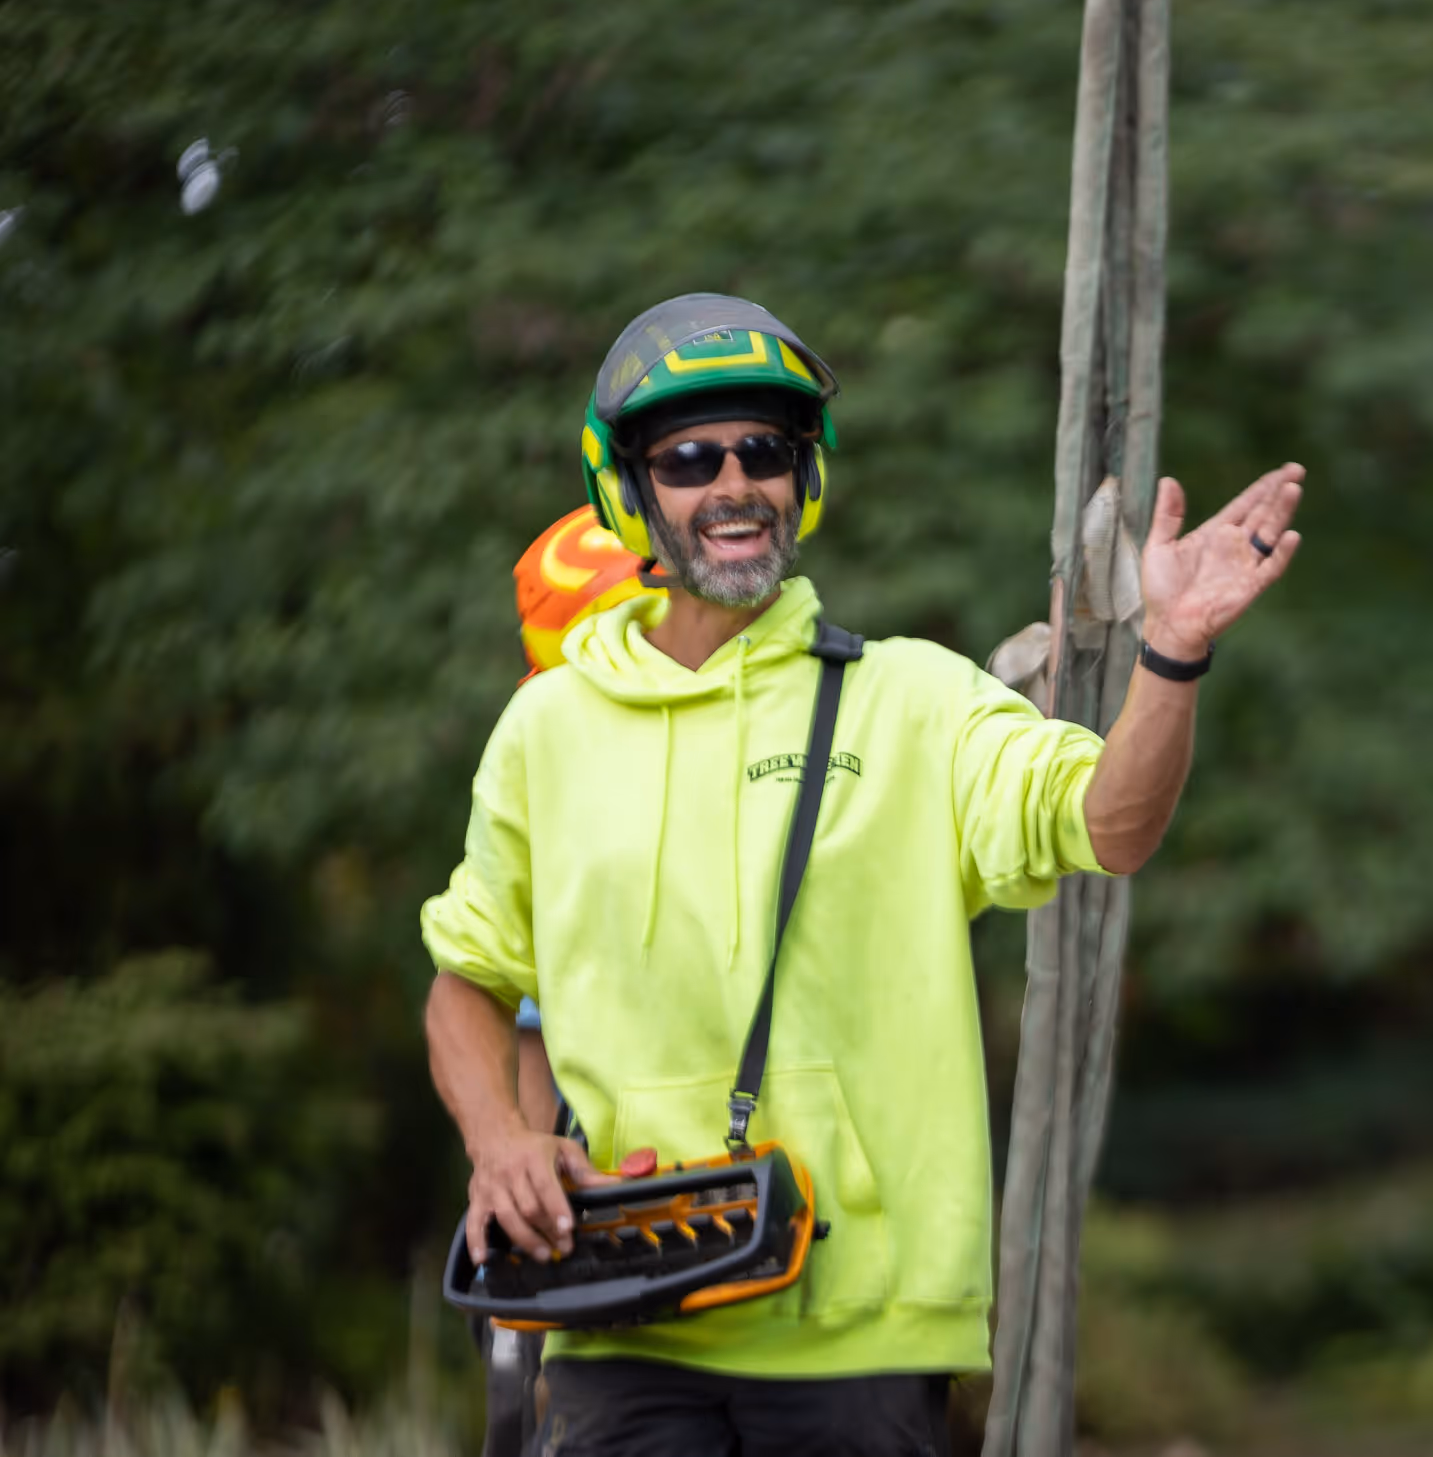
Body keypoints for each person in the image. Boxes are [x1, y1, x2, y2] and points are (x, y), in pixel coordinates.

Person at [421, 293, 1303, 1455]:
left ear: (806, 476)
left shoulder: (914, 698)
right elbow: (466, 981)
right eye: (689, 456)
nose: (734, 481)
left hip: (868, 1337)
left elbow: (1112, 824)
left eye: (766, 450)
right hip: (622, 1327)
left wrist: (1172, 652)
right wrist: (500, 1140)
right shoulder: (545, 733)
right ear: (626, 490)